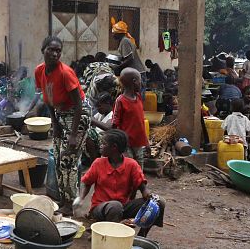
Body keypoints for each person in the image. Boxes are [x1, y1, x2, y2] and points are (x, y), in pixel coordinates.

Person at [34, 36, 90, 214]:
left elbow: (78, 104)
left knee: (69, 160)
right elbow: (47, 97)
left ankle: (70, 204)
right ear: (43, 50)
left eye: (58, 50)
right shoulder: (40, 71)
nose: (55, 53)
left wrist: (73, 135)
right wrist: (55, 123)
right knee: (58, 158)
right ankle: (62, 198)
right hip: (60, 115)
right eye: (51, 49)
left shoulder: (65, 73)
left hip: (77, 116)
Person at [77, 130, 165, 237]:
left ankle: (142, 236)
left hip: (123, 207)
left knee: (159, 202)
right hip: (100, 208)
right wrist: (80, 199)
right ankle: (111, 236)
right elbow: (87, 183)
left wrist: (148, 195)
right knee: (115, 206)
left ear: (114, 147)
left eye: (104, 144)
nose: (100, 146)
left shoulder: (131, 164)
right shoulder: (98, 163)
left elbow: (143, 187)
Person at [113, 67, 149, 169]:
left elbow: (141, 122)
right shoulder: (120, 101)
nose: (141, 83)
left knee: (139, 170)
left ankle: (139, 185)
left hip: (139, 143)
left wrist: (146, 143)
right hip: (126, 144)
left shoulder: (138, 97)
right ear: (134, 82)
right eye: (140, 80)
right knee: (129, 168)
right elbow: (114, 124)